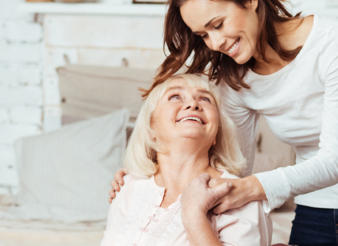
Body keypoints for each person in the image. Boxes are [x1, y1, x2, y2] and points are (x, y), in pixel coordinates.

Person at [109, 0, 338, 245]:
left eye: (217, 24)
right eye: (204, 35)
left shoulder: (333, 42)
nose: (216, 42)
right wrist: (144, 182)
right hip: (316, 203)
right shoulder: (235, 79)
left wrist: (249, 188)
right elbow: (235, 166)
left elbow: (334, 162)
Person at [101, 73, 271, 246]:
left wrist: (194, 215)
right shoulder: (126, 187)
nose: (193, 104)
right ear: (151, 127)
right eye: (175, 96)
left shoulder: (239, 195)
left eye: (205, 99)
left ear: (216, 134)